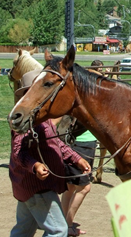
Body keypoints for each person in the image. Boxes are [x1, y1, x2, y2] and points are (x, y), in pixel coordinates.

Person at [9, 69, 91, 237]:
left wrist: (76, 159)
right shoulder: (24, 122)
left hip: (29, 186)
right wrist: (35, 165)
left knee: (23, 230)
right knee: (58, 231)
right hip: (36, 187)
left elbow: (56, 142)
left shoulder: (41, 119)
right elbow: (18, 153)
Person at [61, 60, 100, 236]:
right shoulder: (85, 100)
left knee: (70, 187)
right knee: (84, 188)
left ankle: (63, 224)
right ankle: (66, 225)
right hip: (83, 144)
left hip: (83, 143)